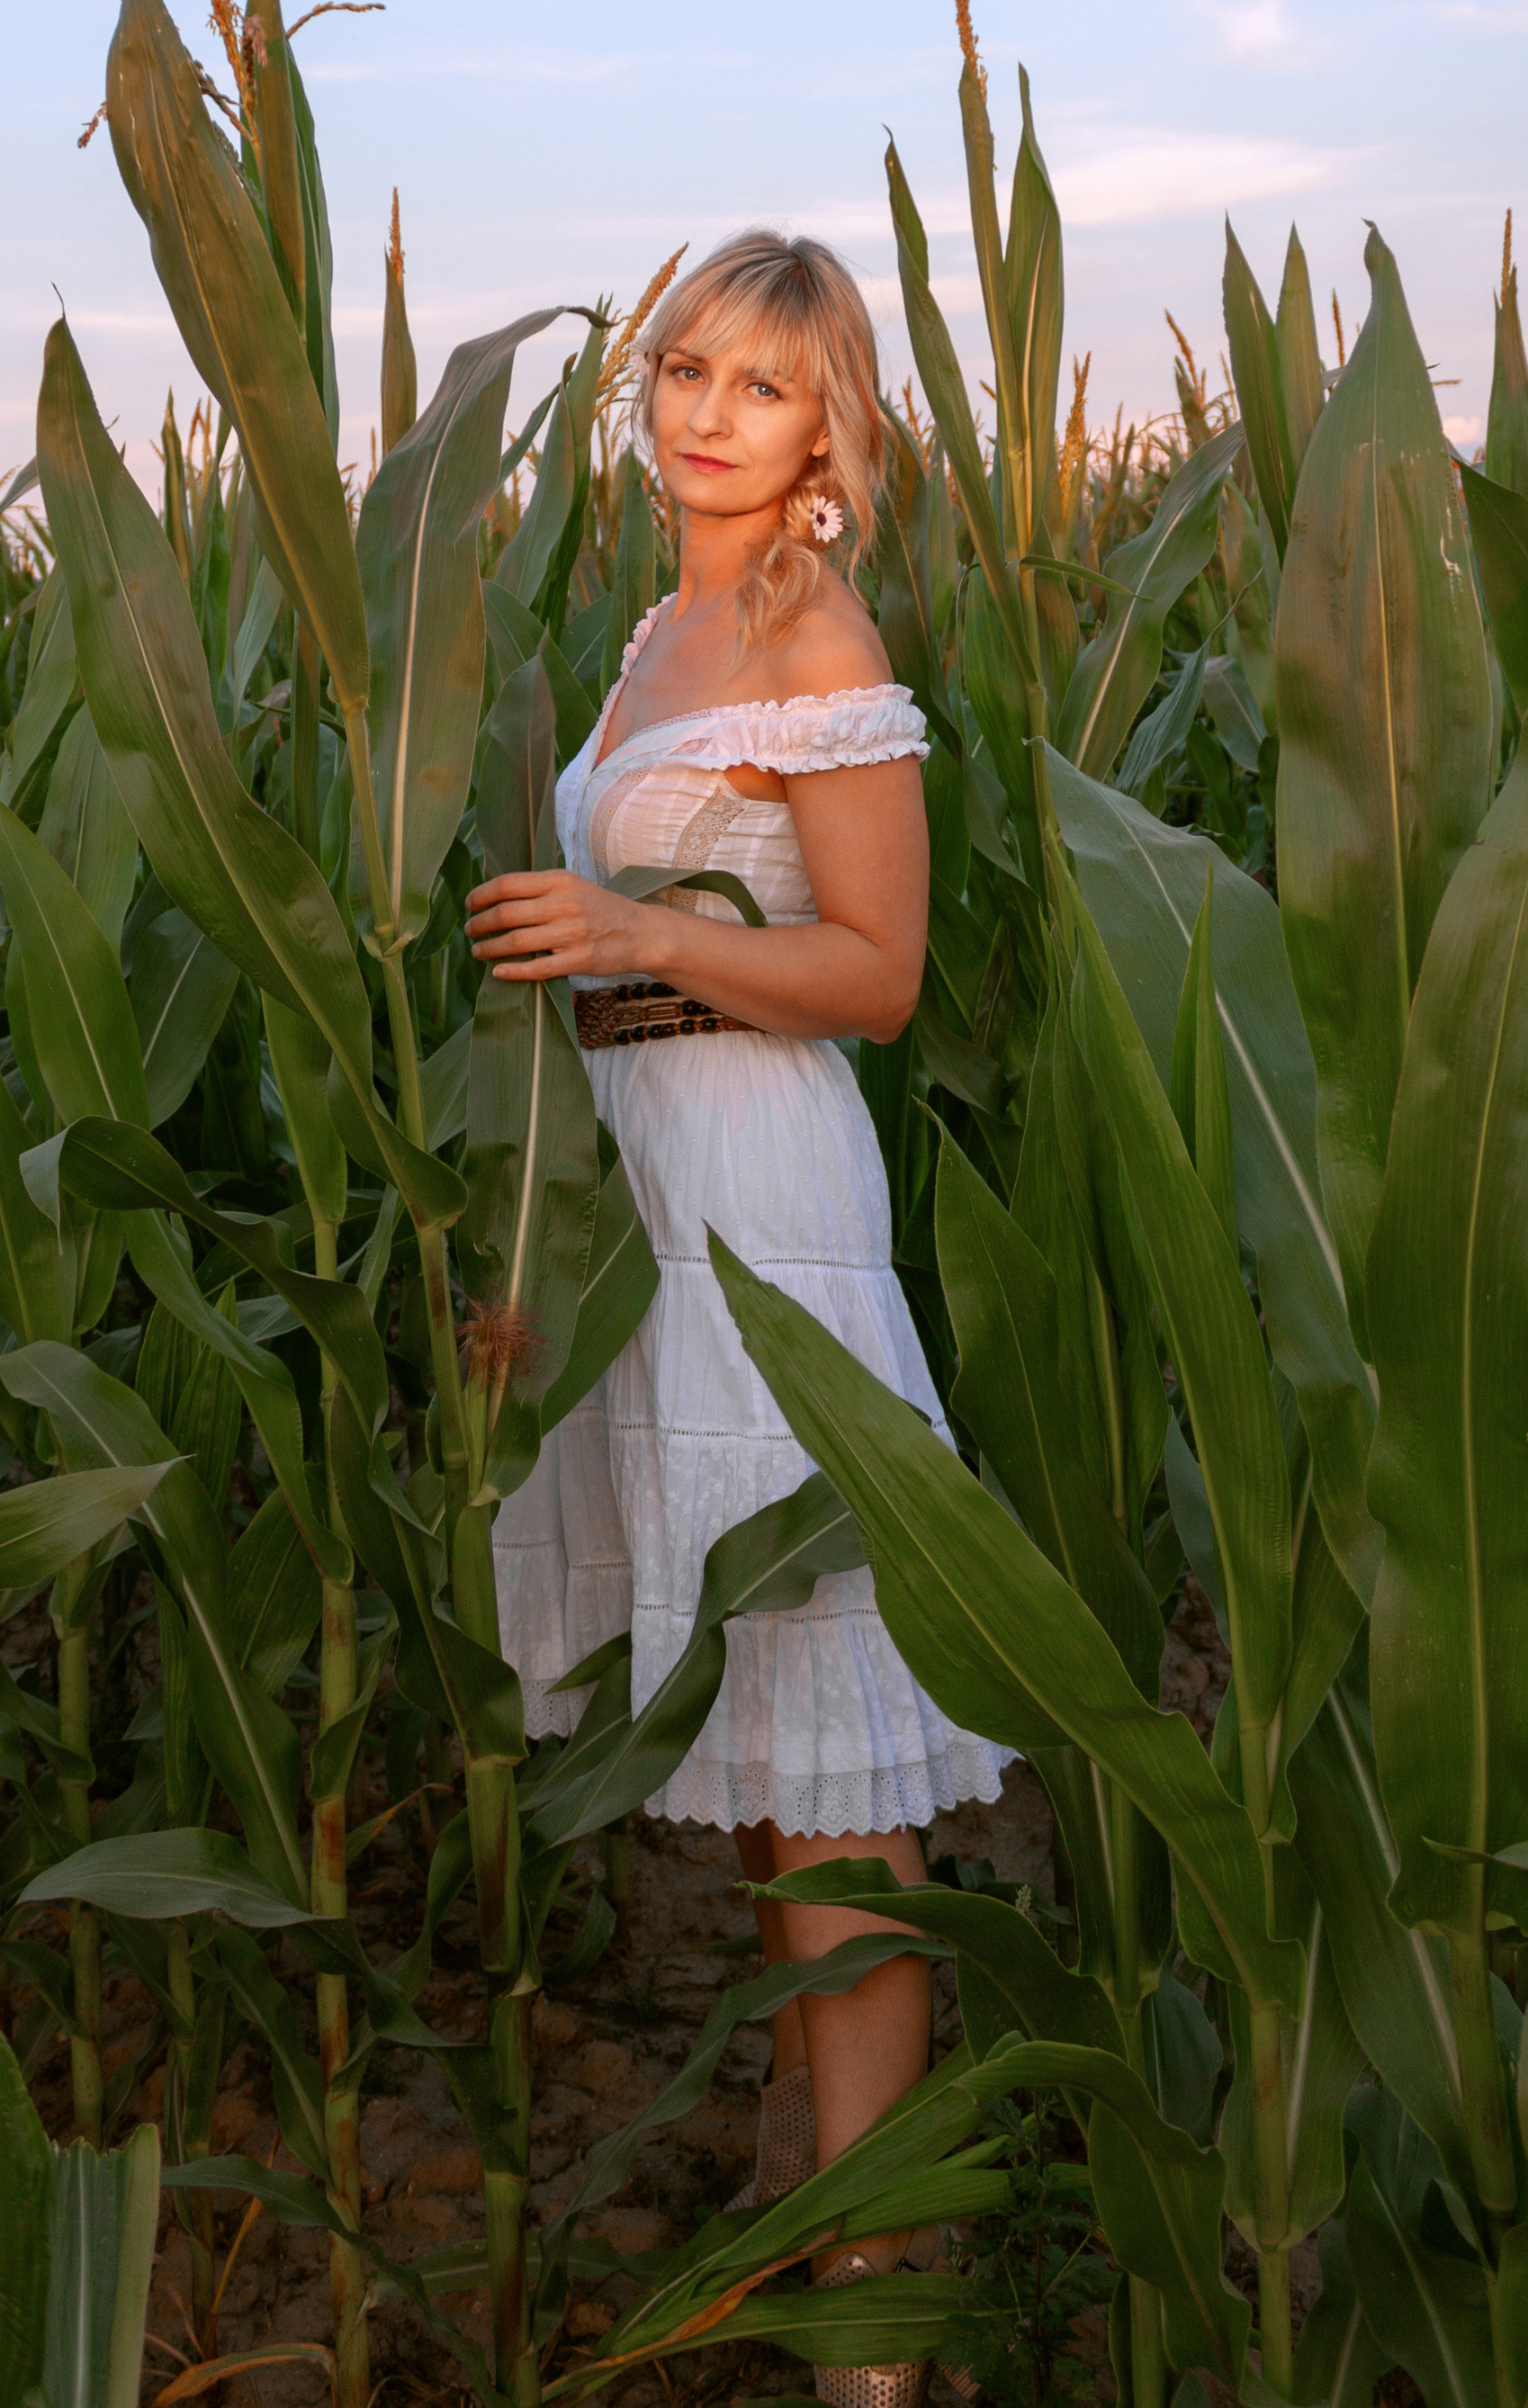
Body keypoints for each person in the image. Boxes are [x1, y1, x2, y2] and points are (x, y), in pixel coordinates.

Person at [469, 228, 1009, 2406]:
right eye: (684, 365)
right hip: (642, 1224)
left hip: (768, 1224)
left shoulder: (815, 635)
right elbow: (602, 986)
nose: (704, 409)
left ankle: (877, 2340)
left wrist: (614, 919)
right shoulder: (646, 637)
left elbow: (873, 976)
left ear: (825, 429)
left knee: (835, 1799)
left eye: (760, 385)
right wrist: (542, 1269)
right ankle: (849, 2267)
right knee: (774, 1788)